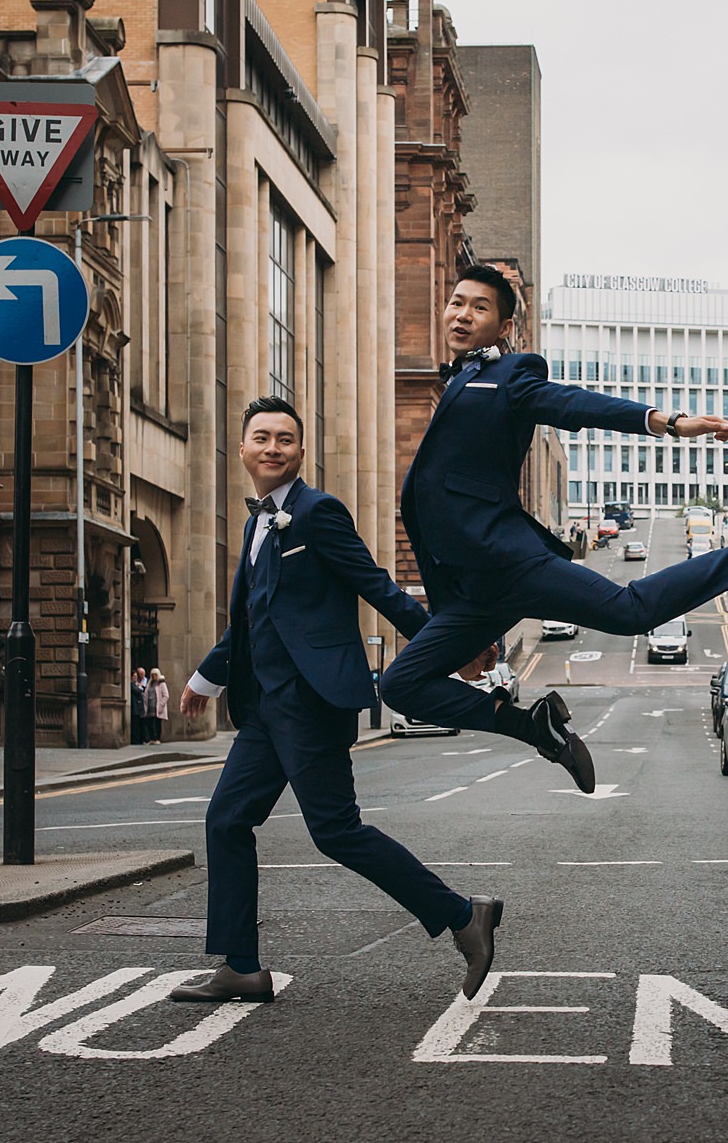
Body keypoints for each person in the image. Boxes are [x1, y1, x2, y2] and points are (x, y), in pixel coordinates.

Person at [379, 262, 728, 792]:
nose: (462, 314)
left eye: (480, 307)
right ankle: (530, 725)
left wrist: (667, 423)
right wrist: (474, 636)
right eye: (456, 302)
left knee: (630, 612)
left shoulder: (511, 377)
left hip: (509, 563)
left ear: (503, 326)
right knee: (400, 683)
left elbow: (574, 405)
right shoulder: (459, 381)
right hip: (466, 593)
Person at [171, 397, 501, 1005]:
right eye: (262, 438)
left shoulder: (318, 513)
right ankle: (241, 965)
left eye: (286, 440)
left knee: (336, 831)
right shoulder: (256, 523)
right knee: (226, 819)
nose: (274, 448)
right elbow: (250, 618)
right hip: (265, 707)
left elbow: (375, 584)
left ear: (301, 453)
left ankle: (461, 916)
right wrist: (207, 677)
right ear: (242, 449)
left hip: (311, 701)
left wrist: (448, 647)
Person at [146, 668, 169, 744]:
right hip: (150, 706)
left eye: (155, 675)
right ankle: (152, 738)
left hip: (157, 707)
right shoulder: (149, 684)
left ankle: (157, 738)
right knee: (150, 723)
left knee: (157, 723)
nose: (154, 676)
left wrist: (161, 704)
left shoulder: (161, 684)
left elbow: (166, 695)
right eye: (152, 675)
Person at [130, 667, 149, 745]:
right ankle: (136, 740)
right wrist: (140, 687)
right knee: (135, 726)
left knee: (139, 725)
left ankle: (140, 739)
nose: (135, 678)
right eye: (134, 676)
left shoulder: (135, 684)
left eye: (136, 676)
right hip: (135, 708)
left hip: (139, 708)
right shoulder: (132, 685)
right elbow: (138, 691)